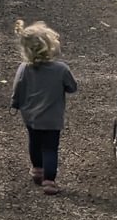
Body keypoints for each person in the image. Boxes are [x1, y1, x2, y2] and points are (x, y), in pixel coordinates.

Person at [10, 20, 78, 195]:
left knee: (34, 143)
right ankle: (49, 180)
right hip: (52, 118)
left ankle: (37, 170)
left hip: (31, 116)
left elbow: (18, 88)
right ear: (50, 46)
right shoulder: (61, 69)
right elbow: (72, 87)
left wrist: (15, 103)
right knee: (50, 148)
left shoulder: (24, 68)